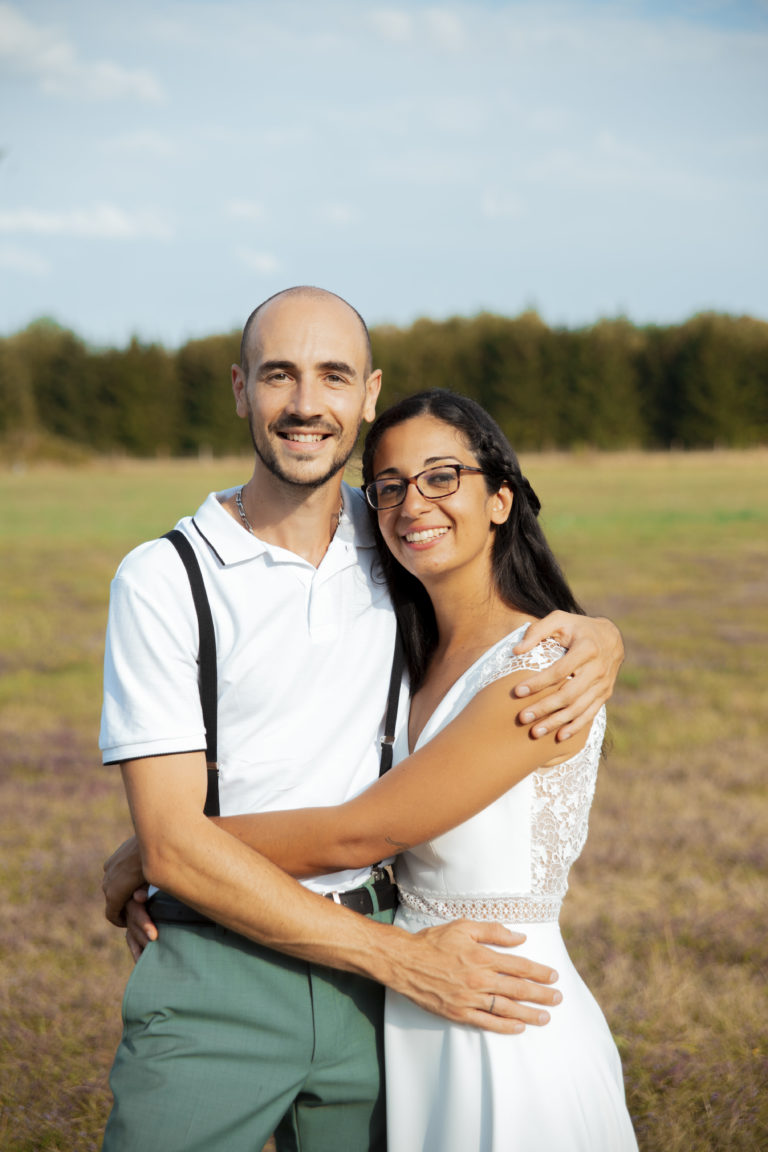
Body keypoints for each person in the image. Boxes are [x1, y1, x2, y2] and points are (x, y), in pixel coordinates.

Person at [100, 288, 625, 1152]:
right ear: (241, 389)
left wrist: (603, 636)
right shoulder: (169, 577)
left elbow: (362, 824)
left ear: (367, 395)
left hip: (415, 985)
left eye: (332, 376)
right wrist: (161, 848)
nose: (307, 403)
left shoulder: (399, 549)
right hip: (238, 969)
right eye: (279, 375)